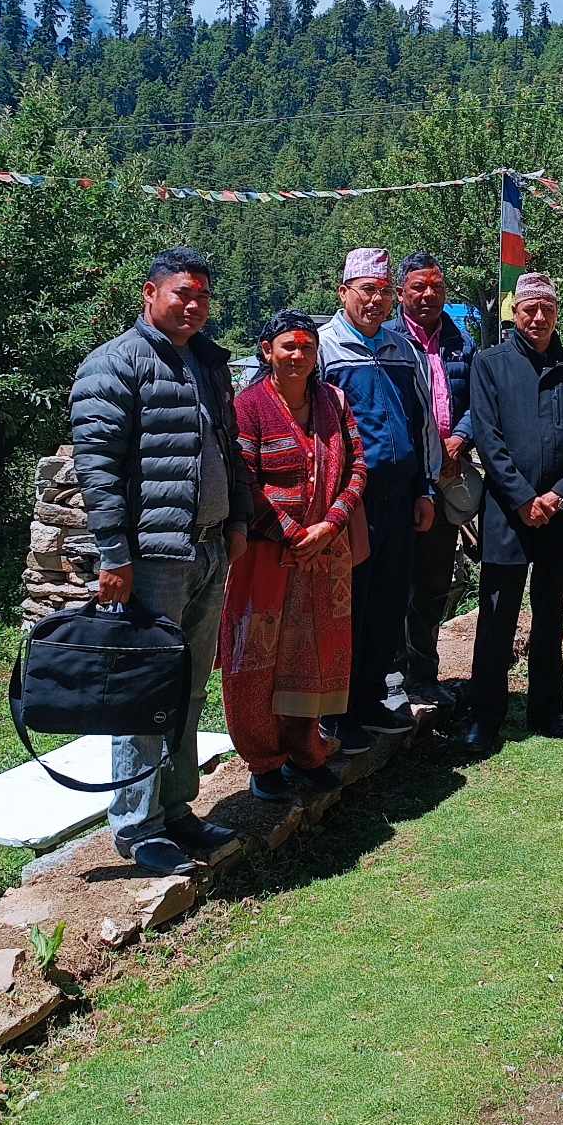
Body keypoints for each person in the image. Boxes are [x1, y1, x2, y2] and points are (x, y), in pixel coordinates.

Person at [71, 246, 252, 876]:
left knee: (186, 685)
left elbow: (226, 449)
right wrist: (114, 555)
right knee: (143, 690)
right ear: (150, 294)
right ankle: (137, 825)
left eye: (202, 295)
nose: (194, 305)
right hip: (151, 557)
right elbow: (97, 471)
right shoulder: (115, 365)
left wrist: (237, 521)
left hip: (205, 547)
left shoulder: (207, 362)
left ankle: (177, 809)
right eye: (182, 293)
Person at [222, 311, 365, 800]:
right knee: (257, 659)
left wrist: (331, 524)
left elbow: (357, 466)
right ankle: (264, 764)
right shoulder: (250, 407)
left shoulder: (332, 402)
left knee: (317, 656)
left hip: (327, 554)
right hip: (266, 557)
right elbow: (244, 481)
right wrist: (290, 531)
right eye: (288, 346)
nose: (299, 355)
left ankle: (305, 752)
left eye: (307, 346)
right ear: (267, 352)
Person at [460, 273, 563, 751]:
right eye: (528, 310)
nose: (537, 318)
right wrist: (522, 498)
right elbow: (488, 438)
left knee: (549, 614)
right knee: (497, 617)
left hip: (557, 515)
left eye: (546, 309)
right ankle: (485, 716)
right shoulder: (489, 364)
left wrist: (557, 496)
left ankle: (547, 710)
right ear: (514, 313)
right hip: (507, 513)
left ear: (557, 312)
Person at [318, 248, 439, 754]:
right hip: (351, 502)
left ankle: (370, 699)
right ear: (344, 291)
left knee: (389, 602)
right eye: (366, 290)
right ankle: (335, 712)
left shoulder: (398, 347)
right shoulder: (323, 348)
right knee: (349, 604)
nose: (376, 300)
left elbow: (422, 421)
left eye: (384, 291)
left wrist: (425, 488)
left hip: (399, 497)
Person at [395, 252, 476, 710]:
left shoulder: (460, 343)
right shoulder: (383, 340)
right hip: (401, 481)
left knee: (433, 582)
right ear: (401, 293)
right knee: (393, 583)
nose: (428, 295)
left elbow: (477, 402)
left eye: (436, 287)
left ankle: (425, 676)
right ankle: (390, 678)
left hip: (447, 478)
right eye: (418, 288)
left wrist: (459, 439)